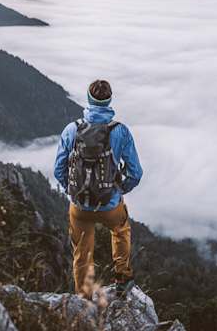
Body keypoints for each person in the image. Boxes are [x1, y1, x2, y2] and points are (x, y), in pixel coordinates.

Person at [54, 79, 143, 297]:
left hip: (79, 206)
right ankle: (122, 277)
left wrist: (72, 189)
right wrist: (120, 190)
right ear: (109, 100)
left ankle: (83, 298)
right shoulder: (120, 132)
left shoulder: (71, 130)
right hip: (109, 203)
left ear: (88, 99)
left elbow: (58, 169)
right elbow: (136, 173)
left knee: (82, 253)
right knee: (121, 230)